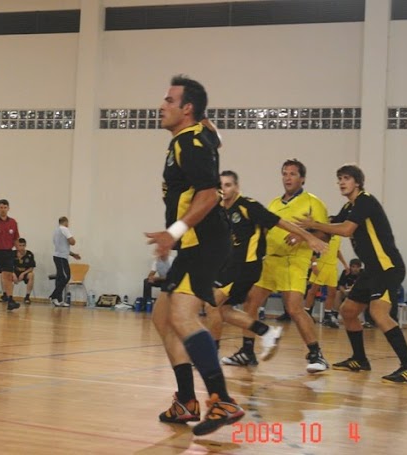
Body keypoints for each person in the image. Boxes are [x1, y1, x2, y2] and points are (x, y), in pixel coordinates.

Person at [145, 75, 244, 436]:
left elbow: (208, 195)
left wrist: (173, 232)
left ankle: (222, 399)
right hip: (194, 243)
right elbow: (217, 136)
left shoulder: (191, 143)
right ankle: (187, 400)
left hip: (204, 240)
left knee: (183, 317)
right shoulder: (195, 136)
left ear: (186, 109)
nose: (162, 105)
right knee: (162, 318)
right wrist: (207, 125)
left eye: (169, 100)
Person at [296, 164, 407, 384]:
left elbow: (345, 230)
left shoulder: (365, 200)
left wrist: (314, 224)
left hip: (387, 267)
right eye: (339, 179)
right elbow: (328, 232)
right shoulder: (349, 207)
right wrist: (302, 234)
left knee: (379, 314)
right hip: (371, 271)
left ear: (357, 182)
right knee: (348, 310)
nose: (342, 183)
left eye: (346, 178)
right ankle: (360, 359)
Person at [206, 171, 327, 367]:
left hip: (262, 264)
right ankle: (253, 345)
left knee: (294, 308)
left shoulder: (248, 205)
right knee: (231, 308)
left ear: (237, 186)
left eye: (228, 185)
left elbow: (281, 223)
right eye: (221, 185)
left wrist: (309, 237)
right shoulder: (223, 209)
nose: (224, 189)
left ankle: (315, 353)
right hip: (258, 263)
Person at [303, 228, 347, 328]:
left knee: (332, 292)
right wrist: (313, 264)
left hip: (332, 266)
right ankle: (307, 313)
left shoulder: (338, 236)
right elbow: (313, 249)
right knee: (313, 291)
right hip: (321, 264)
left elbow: (337, 251)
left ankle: (327, 315)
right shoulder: (322, 235)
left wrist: (345, 264)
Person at [49, 216, 81, 307]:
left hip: (58, 256)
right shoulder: (64, 229)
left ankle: (59, 300)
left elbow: (62, 247)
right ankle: (53, 296)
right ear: (66, 222)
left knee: (60, 278)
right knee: (66, 277)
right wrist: (72, 239)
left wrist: (73, 254)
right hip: (61, 258)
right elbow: (72, 242)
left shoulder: (56, 231)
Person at [13, 238, 36, 305]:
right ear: (17, 246)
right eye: (20, 245)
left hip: (25, 273)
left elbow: (31, 268)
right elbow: (8, 266)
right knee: (4, 274)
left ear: (25, 245)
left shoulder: (29, 254)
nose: (22, 247)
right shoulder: (13, 253)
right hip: (14, 272)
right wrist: (13, 274)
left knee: (31, 275)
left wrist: (23, 273)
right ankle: (6, 295)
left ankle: (27, 297)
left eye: (23, 245)